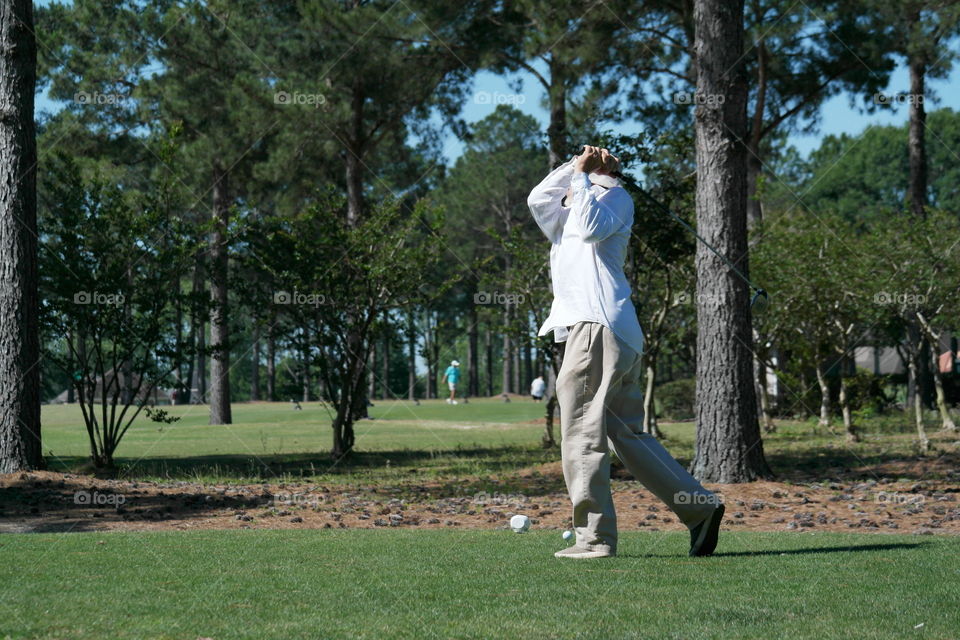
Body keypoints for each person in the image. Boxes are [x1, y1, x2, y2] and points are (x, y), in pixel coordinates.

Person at [527, 145, 725, 559]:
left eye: (578, 184)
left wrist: (585, 178)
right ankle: (699, 507)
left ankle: (595, 539)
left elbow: (591, 229)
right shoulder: (570, 208)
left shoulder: (613, 197)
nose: (567, 191)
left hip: (597, 329)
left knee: (581, 431)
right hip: (610, 331)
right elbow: (538, 199)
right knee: (627, 435)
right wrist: (575, 167)